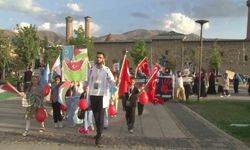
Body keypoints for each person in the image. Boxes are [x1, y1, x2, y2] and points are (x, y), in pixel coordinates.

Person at [85, 52, 116, 147]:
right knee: (96, 117)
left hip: (102, 96)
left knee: (101, 118)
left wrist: (114, 86)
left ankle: (98, 137)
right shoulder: (91, 70)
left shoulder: (106, 70)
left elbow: (112, 81)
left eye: (100, 57)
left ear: (103, 59)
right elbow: (86, 80)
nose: (98, 59)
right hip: (93, 95)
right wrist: (84, 87)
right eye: (97, 57)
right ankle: (99, 133)